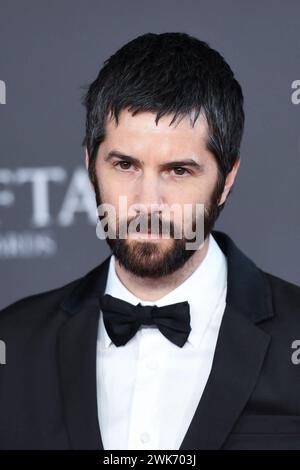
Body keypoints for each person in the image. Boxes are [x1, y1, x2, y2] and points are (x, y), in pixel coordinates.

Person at [0, 32, 300, 451]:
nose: (147, 203)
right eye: (125, 165)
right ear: (90, 164)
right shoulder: (13, 344)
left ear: (227, 179)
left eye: (178, 171)